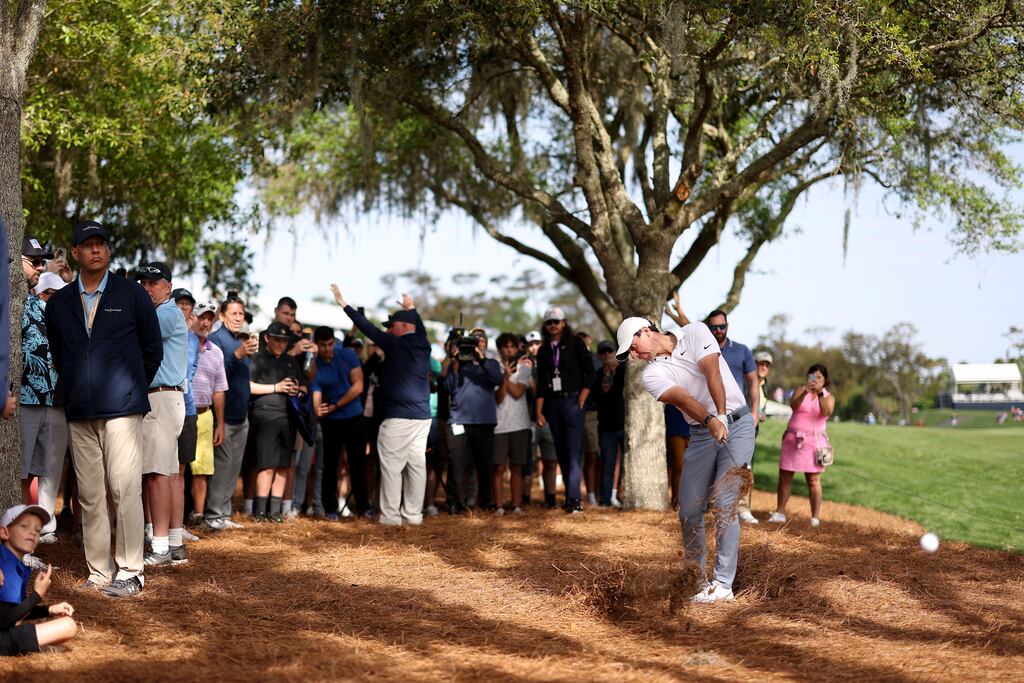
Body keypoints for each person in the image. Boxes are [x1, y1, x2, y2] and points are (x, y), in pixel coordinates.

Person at [44, 220, 163, 598]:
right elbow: (60, 354)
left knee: (124, 489)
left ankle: (130, 571)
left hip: (124, 411)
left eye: (101, 244)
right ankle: (99, 571)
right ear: (75, 253)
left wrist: (131, 387)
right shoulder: (60, 303)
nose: (96, 250)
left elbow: (152, 350)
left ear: (108, 251)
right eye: (87, 245)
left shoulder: (131, 294)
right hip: (79, 411)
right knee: (90, 497)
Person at [616, 316, 755, 604]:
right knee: (689, 509)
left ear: (645, 331)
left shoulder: (693, 332)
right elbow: (681, 399)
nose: (633, 355)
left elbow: (711, 370)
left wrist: (719, 414)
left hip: (737, 425)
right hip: (701, 433)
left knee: (725, 502)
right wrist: (709, 420)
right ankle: (698, 580)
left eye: (631, 347)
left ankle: (723, 585)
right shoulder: (650, 375)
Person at [331, 285, 431, 526]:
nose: (390, 330)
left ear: (405, 327)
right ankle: (413, 515)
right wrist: (412, 308)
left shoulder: (395, 344)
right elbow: (420, 327)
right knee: (416, 465)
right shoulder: (423, 344)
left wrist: (344, 305)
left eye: (393, 325)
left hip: (398, 417)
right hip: (422, 417)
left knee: (392, 467)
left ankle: (390, 516)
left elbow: (368, 328)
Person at [135, 263, 188, 568]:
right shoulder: (167, 313)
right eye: (143, 282)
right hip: (167, 398)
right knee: (167, 475)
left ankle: (161, 546)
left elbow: (134, 335)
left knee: (157, 476)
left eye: (153, 282)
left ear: (168, 286)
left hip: (161, 398)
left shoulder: (164, 314)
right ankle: (174, 543)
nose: (147, 286)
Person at [204, 295, 258, 530]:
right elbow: (217, 376)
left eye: (241, 314)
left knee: (233, 469)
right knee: (222, 467)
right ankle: (213, 514)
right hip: (223, 417)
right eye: (234, 313)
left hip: (241, 415)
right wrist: (237, 355)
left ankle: (224, 512)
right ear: (222, 316)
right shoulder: (216, 340)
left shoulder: (240, 341)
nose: (239, 318)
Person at [535, 306, 594, 513]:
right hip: (552, 403)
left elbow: (590, 372)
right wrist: (539, 411)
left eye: (556, 322)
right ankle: (570, 497)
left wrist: (582, 397)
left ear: (564, 323)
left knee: (573, 451)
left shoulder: (575, 342)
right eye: (549, 322)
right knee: (561, 451)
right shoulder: (543, 350)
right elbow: (541, 382)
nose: (553, 326)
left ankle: (575, 499)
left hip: (573, 400)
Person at [248, 322, 307, 522]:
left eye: (284, 341)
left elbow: (305, 388)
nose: (281, 344)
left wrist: (297, 389)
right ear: (267, 339)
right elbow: (249, 386)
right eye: (278, 340)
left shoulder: (291, 362)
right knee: (267, 465)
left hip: (288, 417)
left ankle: (274, 511)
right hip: (265, 416)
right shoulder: (257, 359)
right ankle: (260, 511)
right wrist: (276, 387)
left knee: (283, 466)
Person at [0, 505, 77, 655]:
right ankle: (26, 648)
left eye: (37, 530)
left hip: (5, 632)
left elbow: (13, 612)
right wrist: (36, 596)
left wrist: (49, 610)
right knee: (68, 626)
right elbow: (3, 620)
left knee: (65, 627)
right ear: (4, 532)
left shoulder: (15, 563)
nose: (32, 533)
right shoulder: (6, 564)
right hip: (3, 637)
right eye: (24, 526)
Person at [310, 326, 368, 519]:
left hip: (354, 417)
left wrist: (336, 405)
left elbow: (358, 385)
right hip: (331, 422)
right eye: (323, 345)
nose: (328, 349)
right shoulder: (315, 363)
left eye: (330, 344)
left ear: (335, 342)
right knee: (330, 465)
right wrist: (318, 407)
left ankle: (363, 506)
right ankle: (330, 508)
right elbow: (316, 389)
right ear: (316, 345)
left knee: (357, 464)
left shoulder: (348, 355)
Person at [442, 331, 503, 513]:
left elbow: (498, 379)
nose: (476, 345)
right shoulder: (459, 364)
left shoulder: (490, 363)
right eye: (471, 343)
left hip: (484, 422)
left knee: (484, 465)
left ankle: (484, 501)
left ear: (484, 344)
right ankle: (453, 502)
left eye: (480, 341)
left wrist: (482, 359)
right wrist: (454, 363)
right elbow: (449, 387)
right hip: (459, 421)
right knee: (456, 465)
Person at [769, 364, 835, 527]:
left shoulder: (828, 396)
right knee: (785, 477)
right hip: (793, 440)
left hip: (815, 444)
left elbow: (826, 412)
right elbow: (794, 406)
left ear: (825, 381)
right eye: (812, 376)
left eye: (819, 377)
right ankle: (780, 512)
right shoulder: (800, 390)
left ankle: (815, 517)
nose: (815, 380)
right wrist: (806, 391)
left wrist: (819, 393)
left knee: (813, 480)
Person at [30, 273, 69, 545]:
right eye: (50, 295)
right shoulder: (29, 316)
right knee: (30, 469)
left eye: (58, 296)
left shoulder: (68, 322)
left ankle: (46, 524)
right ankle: (31, 522)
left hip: (59, 402)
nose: (53, 301)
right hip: (30, 400)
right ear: (40, 295)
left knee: (52, 467)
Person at [19, 237, 57, 505]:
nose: (41, 267)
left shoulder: (38, 303)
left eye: (43, 262)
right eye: (35, 261)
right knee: (17, 473)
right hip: (21, 399)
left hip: (45, 399)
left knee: (33, 473)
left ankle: (22, 540)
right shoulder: (10, 300)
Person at [189, 302, 228, 523]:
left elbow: (219, 390)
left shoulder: (217, 352)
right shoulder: (183, 345)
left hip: (205, 415)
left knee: (201, 469)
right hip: (182, 413)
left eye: (209, 318)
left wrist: (220, 424)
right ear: (193, 318)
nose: (205, 322)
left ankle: (198, 515)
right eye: (202, 317)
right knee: (175, 468)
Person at [492, 332, 533, 515]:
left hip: (519, 424)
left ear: (517, 348)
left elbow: (518, 392)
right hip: (499, 425)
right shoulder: (494, 368)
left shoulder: (525, 369)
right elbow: (499, 399)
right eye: (505, 346)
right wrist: (504, 377)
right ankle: (499, 506)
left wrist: (506, 378)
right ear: (500, 349)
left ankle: (516, 505)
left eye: (512, 346)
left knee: (517, 467)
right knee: (499, 467)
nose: (509, 349)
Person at [592, 340, 625, 508]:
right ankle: (605, 500)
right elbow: (595, 398)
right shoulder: (597, 375)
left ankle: (621, 497)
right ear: (599, 355)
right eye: (603, 352)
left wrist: (615, 370)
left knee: (626, 464)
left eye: (609, 351)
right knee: (608, 464)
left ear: (615, 353)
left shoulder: (623, 371)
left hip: (624, 425)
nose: (606, 355)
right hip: (606, 427)